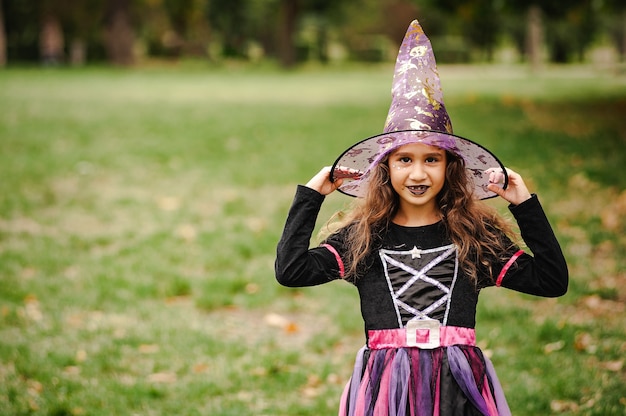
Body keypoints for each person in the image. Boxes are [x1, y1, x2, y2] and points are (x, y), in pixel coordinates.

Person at [275, 19, 568, 416]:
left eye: (432, 159)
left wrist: (525, 205)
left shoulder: (474, 237)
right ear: (386, 168)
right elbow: (291, 270)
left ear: (449, 167)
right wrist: (311, 196)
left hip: (458, 388)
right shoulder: (364, 238)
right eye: (404, 160)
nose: (417, 174)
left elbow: (551, 281)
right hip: (385, 392)